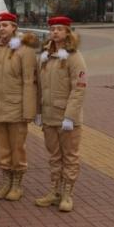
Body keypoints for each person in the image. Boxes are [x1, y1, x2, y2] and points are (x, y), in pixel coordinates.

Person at [0, 12, 39, 201]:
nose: (1, 29)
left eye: (5, 25)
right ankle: (6, 182)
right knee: (2, 149)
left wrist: (29, 111)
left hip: (16, 108)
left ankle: (17, 185)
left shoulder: (25, 49)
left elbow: (29, 81)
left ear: (14, 27)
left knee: (17, 148)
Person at [35, 16, 87, 212]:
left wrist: (70, 117)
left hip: (67, 119)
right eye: (52, 29)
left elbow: (79, 88)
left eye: (59, 29)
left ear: (67, 32)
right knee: (54, 156)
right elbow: (39, 87)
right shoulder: (45, 56)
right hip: (49, 117)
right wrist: (38, 112)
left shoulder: (74, 57)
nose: (55, 32)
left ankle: (67, 194)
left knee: (70, 157)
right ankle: (55, 191)